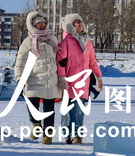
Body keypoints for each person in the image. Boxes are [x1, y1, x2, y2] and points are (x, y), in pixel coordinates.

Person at [56, 13, 103, 144]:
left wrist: (98, 76)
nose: (80, 24)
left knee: (80, 109)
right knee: (70, 109)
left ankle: (76, 134)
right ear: (70, 26)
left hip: (83, 83)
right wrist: (62, 78)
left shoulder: (87, 42)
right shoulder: (66, 42)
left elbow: (92, 61)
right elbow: (60, 62)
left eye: (81, 22)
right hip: (70, 82)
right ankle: (69, 134)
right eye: (77, 22)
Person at [14, 11, 61, 143]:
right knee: (32, 104)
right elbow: (21, 61)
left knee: (49, 109)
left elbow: (59, 56)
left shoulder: (52, 39)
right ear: (32, 25)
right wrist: (19, 78)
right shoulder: (28, 41)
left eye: (43, 23)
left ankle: (48, 134)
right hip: (34, 78)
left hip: (50, 79)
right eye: (38, 24)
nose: (41, 26)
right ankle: (36, 125)